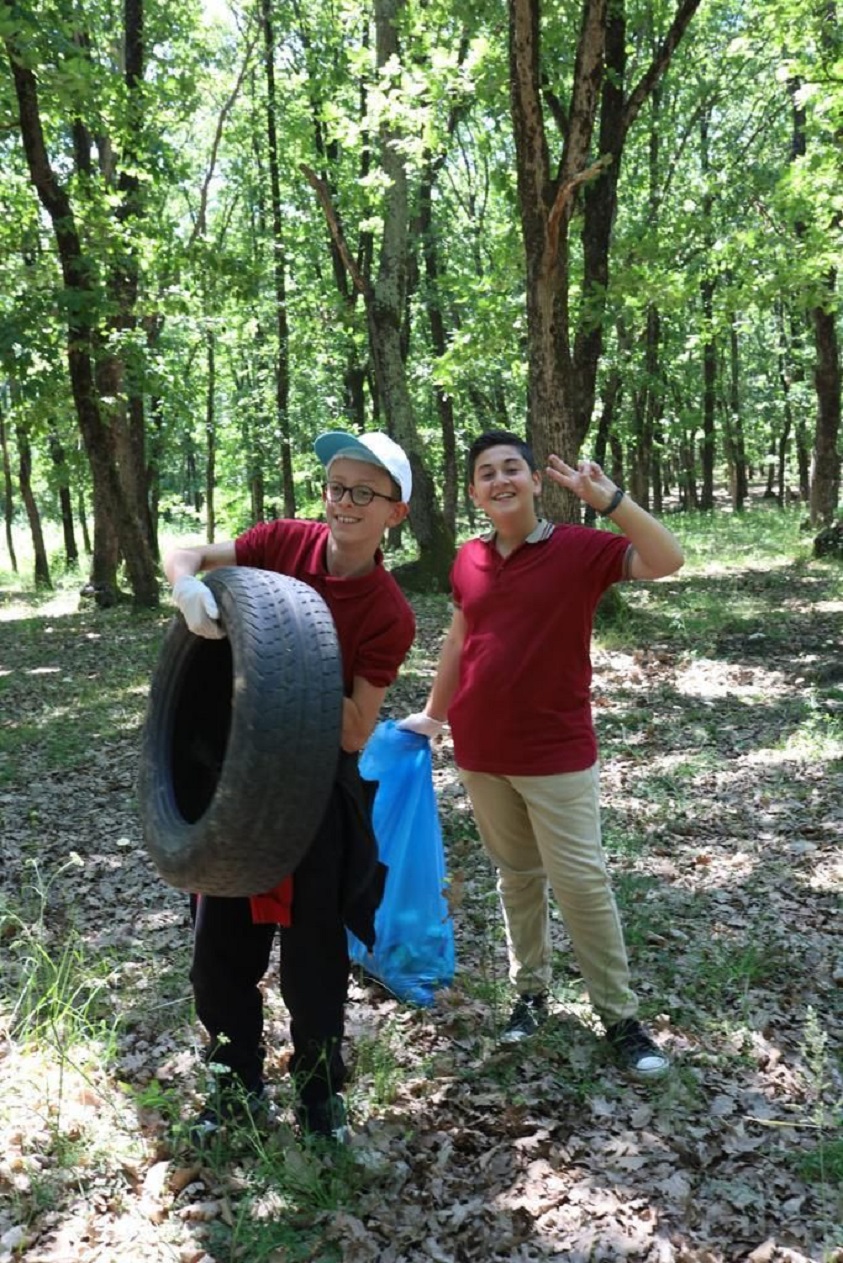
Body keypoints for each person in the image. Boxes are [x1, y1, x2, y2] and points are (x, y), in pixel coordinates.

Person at [400, 429, 684, 1078]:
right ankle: (529, 994)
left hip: (555, 753)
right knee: (516, 877)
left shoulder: (578, 550)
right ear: (473, 491)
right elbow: (458, 639)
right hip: (481, 750)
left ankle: (619, 1017)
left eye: (510, 469)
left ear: (532, 481)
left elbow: (667, 558)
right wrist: (435, 715)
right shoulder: (467, 559)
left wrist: (609, 499)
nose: (499, 479)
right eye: (485, 472)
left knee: (582, 884)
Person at [164, 430, 415, 1143]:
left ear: (394, 513)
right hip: (234, 783)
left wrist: (285, 668)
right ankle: (232, 1086)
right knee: (219, 953)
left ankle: (317, 1096)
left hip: (312, 794)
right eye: (336, 487)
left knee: (313, 963)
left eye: (364, 492)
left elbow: (355, 730)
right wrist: (187, 587)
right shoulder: (282, 544)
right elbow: (186, 549)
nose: (343, 503)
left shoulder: (389, 611)